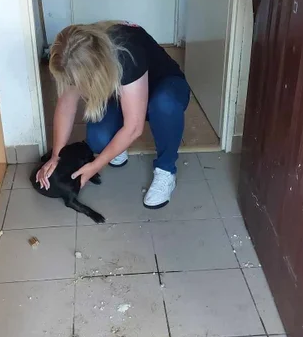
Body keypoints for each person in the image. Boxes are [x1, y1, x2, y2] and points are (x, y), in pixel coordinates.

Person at [36, 21, 190, 208]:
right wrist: (56, 156)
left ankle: (166, 169)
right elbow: (66, 105)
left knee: (164, 104)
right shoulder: (74, 52)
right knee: (98, 139)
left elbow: (134, 127)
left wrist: (96, 166)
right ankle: (118, 145)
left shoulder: (126, 52)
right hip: (124, 93)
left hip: (165, 88)